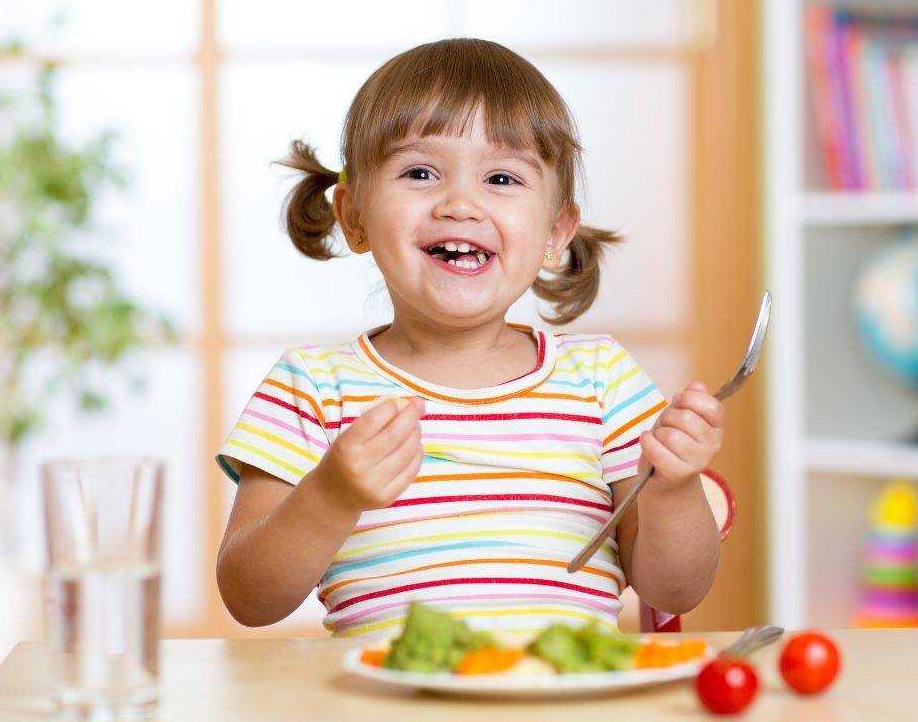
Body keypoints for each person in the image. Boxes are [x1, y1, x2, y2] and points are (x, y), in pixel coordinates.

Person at [215, 38, 724, 638]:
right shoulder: (313, 386)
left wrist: (673, 489)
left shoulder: (601, 379)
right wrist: (329, 495)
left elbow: (675, 589)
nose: (460, 204)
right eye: (420, 172)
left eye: (502, 177)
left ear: (556, 231)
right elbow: (249, 598)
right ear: (353, 217)